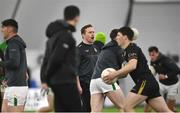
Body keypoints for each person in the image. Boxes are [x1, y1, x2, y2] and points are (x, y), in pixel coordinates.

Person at [102, 27, 172, 112]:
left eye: (118, 35)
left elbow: (132, 66)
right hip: (150, 83)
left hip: (145, 82)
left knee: (126, 107)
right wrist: (111, 77)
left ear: (125, 37)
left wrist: (114, 74)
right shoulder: (125, 52)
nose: (116, 37)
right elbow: (125, 73)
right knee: (166, 111)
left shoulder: (132, 48)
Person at [42, 5, 82, 112]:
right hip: (66, 82)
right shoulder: (66, 36)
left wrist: (45, 79)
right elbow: (56, 58)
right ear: (77, 17)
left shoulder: (52, 37)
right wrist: (47, 76)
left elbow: (45, 61)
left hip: (55, 82)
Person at [90, 29, 125, 112]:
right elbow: (124, 71)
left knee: (95, 111)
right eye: (122, 35)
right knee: (125, 107)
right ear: (117, 37)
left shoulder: (105, 48)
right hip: (107, 80)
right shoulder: (118, 48)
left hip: (94, 81)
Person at [0, 19, 28, 112]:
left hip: (16, 88)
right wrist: (7, 77)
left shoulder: (14, 43)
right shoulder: (13, 42)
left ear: (9, 29)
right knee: (4, 111)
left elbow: (14, 63)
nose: (1, 30)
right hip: (11, 85)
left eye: (3, 27)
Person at [77, 24, 106, 112]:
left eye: (93, 32)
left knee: (96, 109)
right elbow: (75, 70)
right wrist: (78, 86)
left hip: (97, 82)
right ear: (83, 35)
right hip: (85, 84)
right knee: (87, 108)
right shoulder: (78, 49)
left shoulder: (97, 47)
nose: (92, 34)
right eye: (90, 32)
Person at [144, 46, 180, 112]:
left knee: (170, 108)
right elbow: (153, 72)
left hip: (173, 85)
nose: (151, 57)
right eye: (150, 55)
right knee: (150, 99)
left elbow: (177, 70)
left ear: (157, 53)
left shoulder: (166, 60)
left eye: (153, 55)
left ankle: (173, 110)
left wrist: (166, 76)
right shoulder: (152, 62)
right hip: (162, 84)